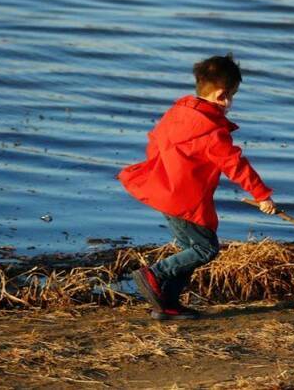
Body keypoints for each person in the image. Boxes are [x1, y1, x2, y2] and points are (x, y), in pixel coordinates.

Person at [116, 53, 276, 320]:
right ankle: (154, 274)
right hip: (184, 198)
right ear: (221, 95)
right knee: (205, 249)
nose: (231, 103)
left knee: (190, 250)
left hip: (163, 190)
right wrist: (262, 195)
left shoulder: (178, 112)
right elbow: (236, 165)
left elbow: (154, 143)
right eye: (232, 95)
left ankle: (166, 305)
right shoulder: (212, 131)